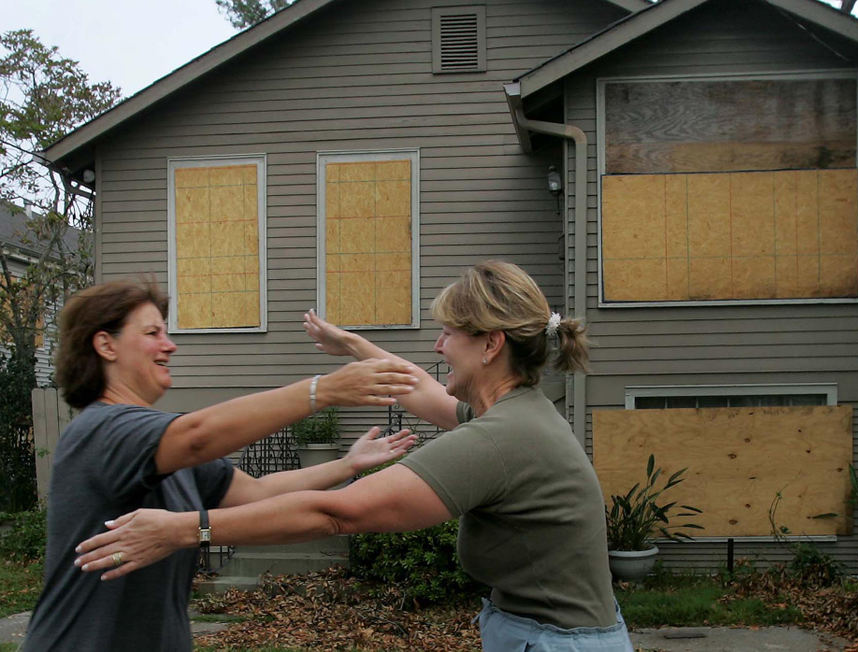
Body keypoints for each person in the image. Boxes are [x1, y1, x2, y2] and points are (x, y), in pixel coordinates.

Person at [74, 262, 635, 651]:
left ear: (490, 344)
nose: (437, 346)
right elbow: (419, 388)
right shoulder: (519, 414)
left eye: (447, 334)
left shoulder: (500, 438)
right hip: (542, 632)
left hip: (558, 643)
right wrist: (354, 347)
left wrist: (184, 531)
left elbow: (338, 513)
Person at [23, 279, 418, 652]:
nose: (170, 345)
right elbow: (197, 435)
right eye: (152, 334)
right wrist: (323, 390)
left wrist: (347, 465)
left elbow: (258, 493)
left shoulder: (163, 450)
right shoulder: (101, 431)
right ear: (106, 345)